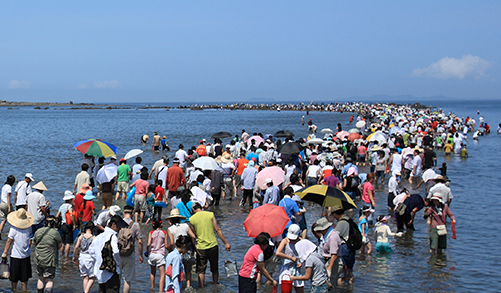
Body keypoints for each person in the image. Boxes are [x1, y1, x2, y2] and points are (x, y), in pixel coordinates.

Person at [189, 202, 231, 287]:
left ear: (193, 209)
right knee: (214, 269)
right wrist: (226, 243)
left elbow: (194, 235)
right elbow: (217, 229)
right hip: (213, 245)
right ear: (201, 207)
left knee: (201, 270)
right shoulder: (210, 214)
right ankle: (215, 285)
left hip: (201, 247)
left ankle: (202, 287)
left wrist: (195, 245)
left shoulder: (192, 219)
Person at [89, 215, 128, 293]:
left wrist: (99, 260)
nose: (119, 229)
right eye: (119, 227)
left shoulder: (98, 237)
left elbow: (91, 251)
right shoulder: (113, 236)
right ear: (113, 225)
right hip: (111, 272)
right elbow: (116, 252)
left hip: (100, 272)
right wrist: (117, 263)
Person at [1, 208, 33, 292]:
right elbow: (29, 240)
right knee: (24, 278)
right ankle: (24, 290)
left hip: (15, 256)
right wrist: (27, 247)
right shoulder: (29, 228)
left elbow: (9, 241)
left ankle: (14, 290)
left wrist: (5, 253)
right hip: (26, 255)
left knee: (14, 278)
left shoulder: (13, 229)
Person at [166, 209, 196, 288]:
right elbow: (193, 236)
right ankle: (188, 285)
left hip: (177, 251)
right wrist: (194, 245)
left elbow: (172, 243)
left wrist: (170, 250)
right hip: (187, 249)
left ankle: (179, 285)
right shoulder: (186, 226)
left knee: (178, 269)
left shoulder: (170, 229)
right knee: (188, 269)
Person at [33, 215, 63, 293]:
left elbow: (34, 243)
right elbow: (60, 245)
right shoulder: (55, 232)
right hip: (50, 259)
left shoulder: (38, 231)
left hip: (39, 258)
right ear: (54, 223)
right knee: (49, 279)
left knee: (41, 277)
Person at [313, 217, 342, 289]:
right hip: (327, 260)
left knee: (331, 285)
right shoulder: (326, 236)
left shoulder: (333, 237)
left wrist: (329, 269)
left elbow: (334, 255)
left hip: (333, 262)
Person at [120, 205, 144, 293]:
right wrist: (141, 255)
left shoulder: (118, 223)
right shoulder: (135, 225)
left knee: (116, 278)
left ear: (123, 213)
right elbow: (140, 241)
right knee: (127, 280)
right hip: (130, 254)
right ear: (133, 213)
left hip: (118, 254)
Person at [275, 224, 304, 293]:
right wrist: (290, 257)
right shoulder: (285, 241)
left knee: (300, 290)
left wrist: (302, 262)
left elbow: (306, 254)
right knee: (286, 290)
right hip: (287, 268)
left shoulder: (301, 241)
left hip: (297, 268)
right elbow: (278, 252)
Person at [331, 206, 356, 285]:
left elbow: (335, 235)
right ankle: (350, 288)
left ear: (336, 214)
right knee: (350, 270)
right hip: (351, 247)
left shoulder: (342, 222)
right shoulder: (349, 220)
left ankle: (341, 289)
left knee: (341, 273)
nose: (333, 216)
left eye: (333, 214)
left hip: (344, 247)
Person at [72, 222, 96, 293]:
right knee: (92, 277)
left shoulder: (81, 237)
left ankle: (85, 291)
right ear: (93, 229)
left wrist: (74, 256)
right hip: (90, 258)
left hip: (82, 257)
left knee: (85, 277)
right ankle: (86, 292)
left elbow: (76, 247)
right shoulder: (93, 238)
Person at [147, 218, 167, 293]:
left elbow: (148, 244)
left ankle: (152, 288)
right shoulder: (164, 233)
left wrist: (147, 251)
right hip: (160, 254)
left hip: (152, 254)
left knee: (152, 273)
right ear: (161, 224)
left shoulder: (151, 232)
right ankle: (161, 291)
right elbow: (166, 245)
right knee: (162, 274)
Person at [55, 190, 75, 258]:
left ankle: (61, 255)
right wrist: (74, 224)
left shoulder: (62, 206)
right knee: (68, 243)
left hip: (62, 226)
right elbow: (71, 215)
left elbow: (57, 216)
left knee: (63, 242)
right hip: (68, 225)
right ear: (69, 199)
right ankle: (66, 257)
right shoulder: (69, 206)